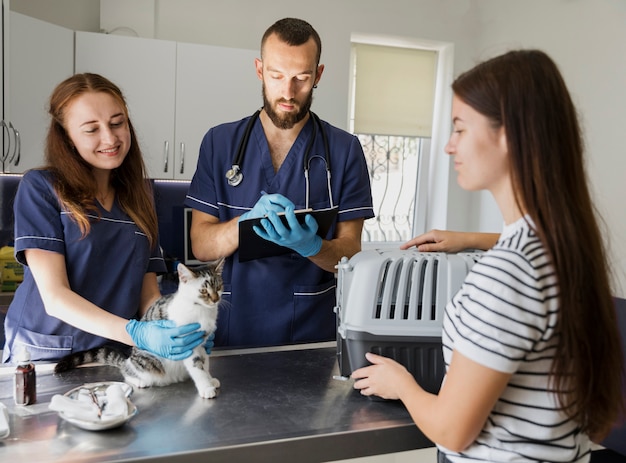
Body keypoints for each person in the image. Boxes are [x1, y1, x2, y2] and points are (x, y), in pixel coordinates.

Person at [352, 50, 624, 462]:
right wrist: (470, 239)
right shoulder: (564, 246)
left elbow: (452, 431)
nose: (448, 145)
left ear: (508, 135)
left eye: (460, 129)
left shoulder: (507, 274)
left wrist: (401, 384)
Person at [185, 18, 373, 348]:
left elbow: (352, 254)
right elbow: (200, 244)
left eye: (301, 78)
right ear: (259, 70)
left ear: (318, 75)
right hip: (234, 326)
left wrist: (313, 246)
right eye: (276, 76)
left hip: (310, 333)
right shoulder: (219, 143)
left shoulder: (344, 151)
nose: (288, 92)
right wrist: (243, 223)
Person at [2, 73, 205, 363]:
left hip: (113, 354)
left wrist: (176, 328)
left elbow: (147, 294)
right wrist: (137, 333)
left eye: (117, 123)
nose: (110, 138)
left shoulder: (140, 198)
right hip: (45, 355)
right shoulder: (42, 188)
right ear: (67, 137)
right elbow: (55, 297)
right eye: (91, 129)